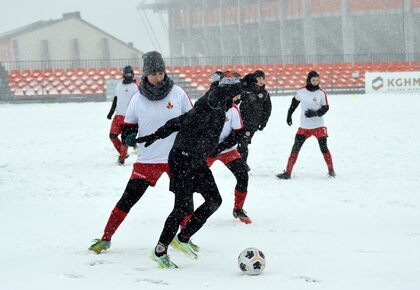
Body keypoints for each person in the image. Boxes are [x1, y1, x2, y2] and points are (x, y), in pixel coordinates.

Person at [136, 71, 247, 268]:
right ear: (227, 88)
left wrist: (158, 134)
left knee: (214, 200)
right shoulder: (212, 100)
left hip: (196, 160)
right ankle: (160, 251)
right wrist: (244, 83)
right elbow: (219, 93)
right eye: (235, 89)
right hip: (182, 159)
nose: (239, 94)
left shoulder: (219, 106)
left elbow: (181, 120)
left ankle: (183, 238)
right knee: (182, 208)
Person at [89, 51, 193, 254]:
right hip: (147, 160)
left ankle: (184, 239)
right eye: (153, 73)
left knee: (185, 201)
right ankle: (106, 238)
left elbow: (191, 119)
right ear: (145, 74)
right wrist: (128, 136)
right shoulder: (137, 98)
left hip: (176, 158)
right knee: (127, 199)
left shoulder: (178, 93)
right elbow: (129, 126)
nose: (158, 77)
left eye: (161, 72)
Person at [276, 70, 335, 179]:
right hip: (304, 127)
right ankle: (287, 173)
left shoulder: (321, 93)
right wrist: (289, 115)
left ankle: (331, 171)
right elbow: (294, 104)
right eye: (313, 80)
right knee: (295, 148)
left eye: (317, 80)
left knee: (324, 148)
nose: (316, 82)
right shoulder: (301, 92)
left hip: (319, 126)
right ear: (309, 80)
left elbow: (326, 107)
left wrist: (315, 113)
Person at [236, 70, 272, 171]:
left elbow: (268, 109)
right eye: (259, 78)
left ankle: (243, 165)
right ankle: (241, 163)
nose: (261, 80)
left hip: (253, 124)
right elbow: (236, 100)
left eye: (263, 78)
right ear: (255, 79)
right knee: (239, 143)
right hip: (241, 122)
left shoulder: (264, 94)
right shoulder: (246, 90)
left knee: (243, 142)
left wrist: (263, 122)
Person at [106, 65, 139, 165]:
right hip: (118, 116)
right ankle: (123, 153)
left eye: (130, 74)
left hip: (129, 118)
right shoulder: (119, 85)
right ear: (123, 74)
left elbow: (139, 103)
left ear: (133, 75)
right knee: (112, 136)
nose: (129, 75)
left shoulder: (135, 87)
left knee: (125, 140)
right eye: (127, 73)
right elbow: (116, 100)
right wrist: (111, 112)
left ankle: (122, 159)